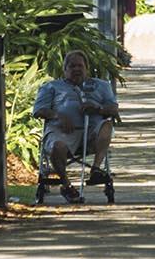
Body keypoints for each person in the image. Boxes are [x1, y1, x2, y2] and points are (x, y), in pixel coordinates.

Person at [30, 49, 120, 203]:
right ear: (65, 70)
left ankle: (96, 169)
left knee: (107, 125)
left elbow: (114, 110)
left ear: (86, 68)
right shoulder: (52, 87)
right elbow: (38, 110)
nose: (76, 69)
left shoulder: (101, 86)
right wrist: (57, 115)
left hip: (92, 134)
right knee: (56, 146)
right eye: (72, 66)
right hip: (63, 131)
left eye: (80, 66)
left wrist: (98, 108)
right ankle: (66, 185)